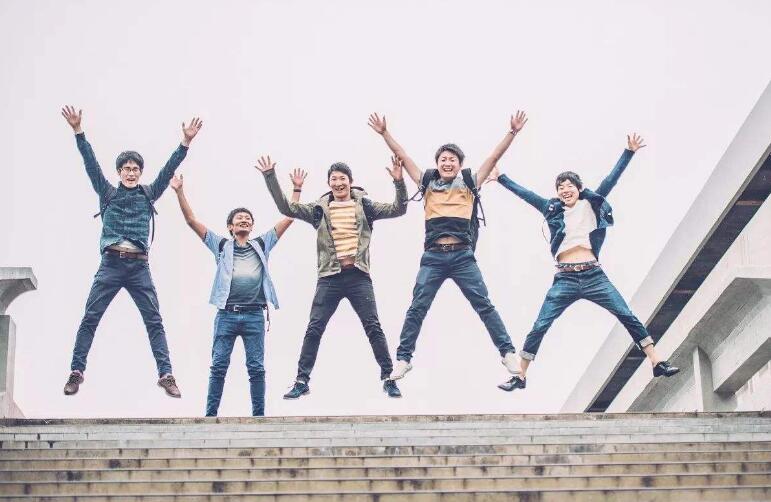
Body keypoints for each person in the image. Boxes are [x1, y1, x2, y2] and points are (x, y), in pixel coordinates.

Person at [489, 133, 680, 391]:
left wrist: (628, 152)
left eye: (569, 185)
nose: (565, 190)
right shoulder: (551, 209)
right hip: (565, 278)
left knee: (626, 314)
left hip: (594, 276)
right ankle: (520, 376)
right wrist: (501, 178)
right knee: (540, 325)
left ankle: (656, 361)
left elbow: (610, 180)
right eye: (560, 187)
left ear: (579, 188)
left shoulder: (591, 203)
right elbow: (526, 194)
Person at [368, 111, 527, 384]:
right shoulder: (427, 182)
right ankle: (404, 358)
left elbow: (493, 157)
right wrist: (384, 134)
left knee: (484, 304)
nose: (447, 163)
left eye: (452, 159)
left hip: (462, 256)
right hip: (433, 257)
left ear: (460, 164)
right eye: (443, 159)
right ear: (437, 163)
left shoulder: (469, 182)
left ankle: (507, 352)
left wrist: (512, 132)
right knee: (417, 307)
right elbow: (403, 155)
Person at [61, 106, 202, 397]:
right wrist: (78, 131)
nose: (131, 172)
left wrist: (185, 142)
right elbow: (90, 163)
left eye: (135, 169)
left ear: (140, 173)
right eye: (126, 169)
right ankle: (76, 371)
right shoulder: (107, 193)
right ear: (119, 172)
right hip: (111, 264)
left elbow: (167, 170)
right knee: (90, 317)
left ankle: (166, 374)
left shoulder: (149, 194)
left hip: (139, 266)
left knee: (154, 320)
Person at [255, 155, 408, 399]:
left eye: (342, 178)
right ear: (329, 183)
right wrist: (270, 176)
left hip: (358, 276)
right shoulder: (318, 210)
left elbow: (399, 209)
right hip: (329, 277)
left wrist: (399, 182)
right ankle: (301, 381)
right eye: (333, 179)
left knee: (373, 326)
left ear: (350, 181)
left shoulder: (365, 206)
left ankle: (388, 378)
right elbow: (286, 208)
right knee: (314, 328)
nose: (338, 183)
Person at [170, 170, 303, 415]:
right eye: (239, 218)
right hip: (227, 315)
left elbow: (289, 217)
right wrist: (179, 192)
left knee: (256, 368)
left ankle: (258, 416)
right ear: (230, 227)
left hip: (254, 315)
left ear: (252, 226)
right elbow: (191, 221)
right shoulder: (221, 245)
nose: (244, 220)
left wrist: (296, 190)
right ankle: (210, 415)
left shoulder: (262, 243)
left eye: (248, 218)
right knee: (218, 366)